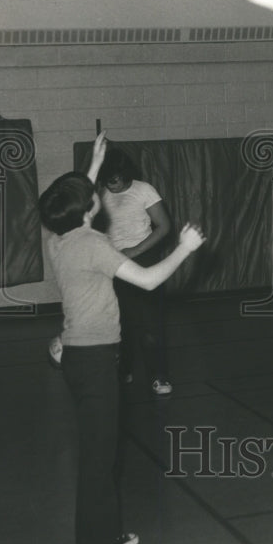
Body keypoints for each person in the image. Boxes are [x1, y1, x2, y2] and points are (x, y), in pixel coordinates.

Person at [38, 132, 205, 544]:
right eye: (90, 194)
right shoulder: (94, 245)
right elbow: (149, 280)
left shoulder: (58, 239)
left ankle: (102, 534)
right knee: (99, 460)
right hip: (94, 362)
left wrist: (92, 164)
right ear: (89, 207)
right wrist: (185, 249)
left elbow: (76, 197)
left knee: (101, 456)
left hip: (80, 358)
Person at [96, 148, 173, 396]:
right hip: (114, 263)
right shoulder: (103, 192)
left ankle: (158, 376)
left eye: (115, 180)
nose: (111, 185)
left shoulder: (144, 190)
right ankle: (123, 370)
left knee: (149, 324)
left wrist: (134, 251)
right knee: (120, 322)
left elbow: (164, 227)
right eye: (107, 181)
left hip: (143, 259)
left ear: (125, 175)